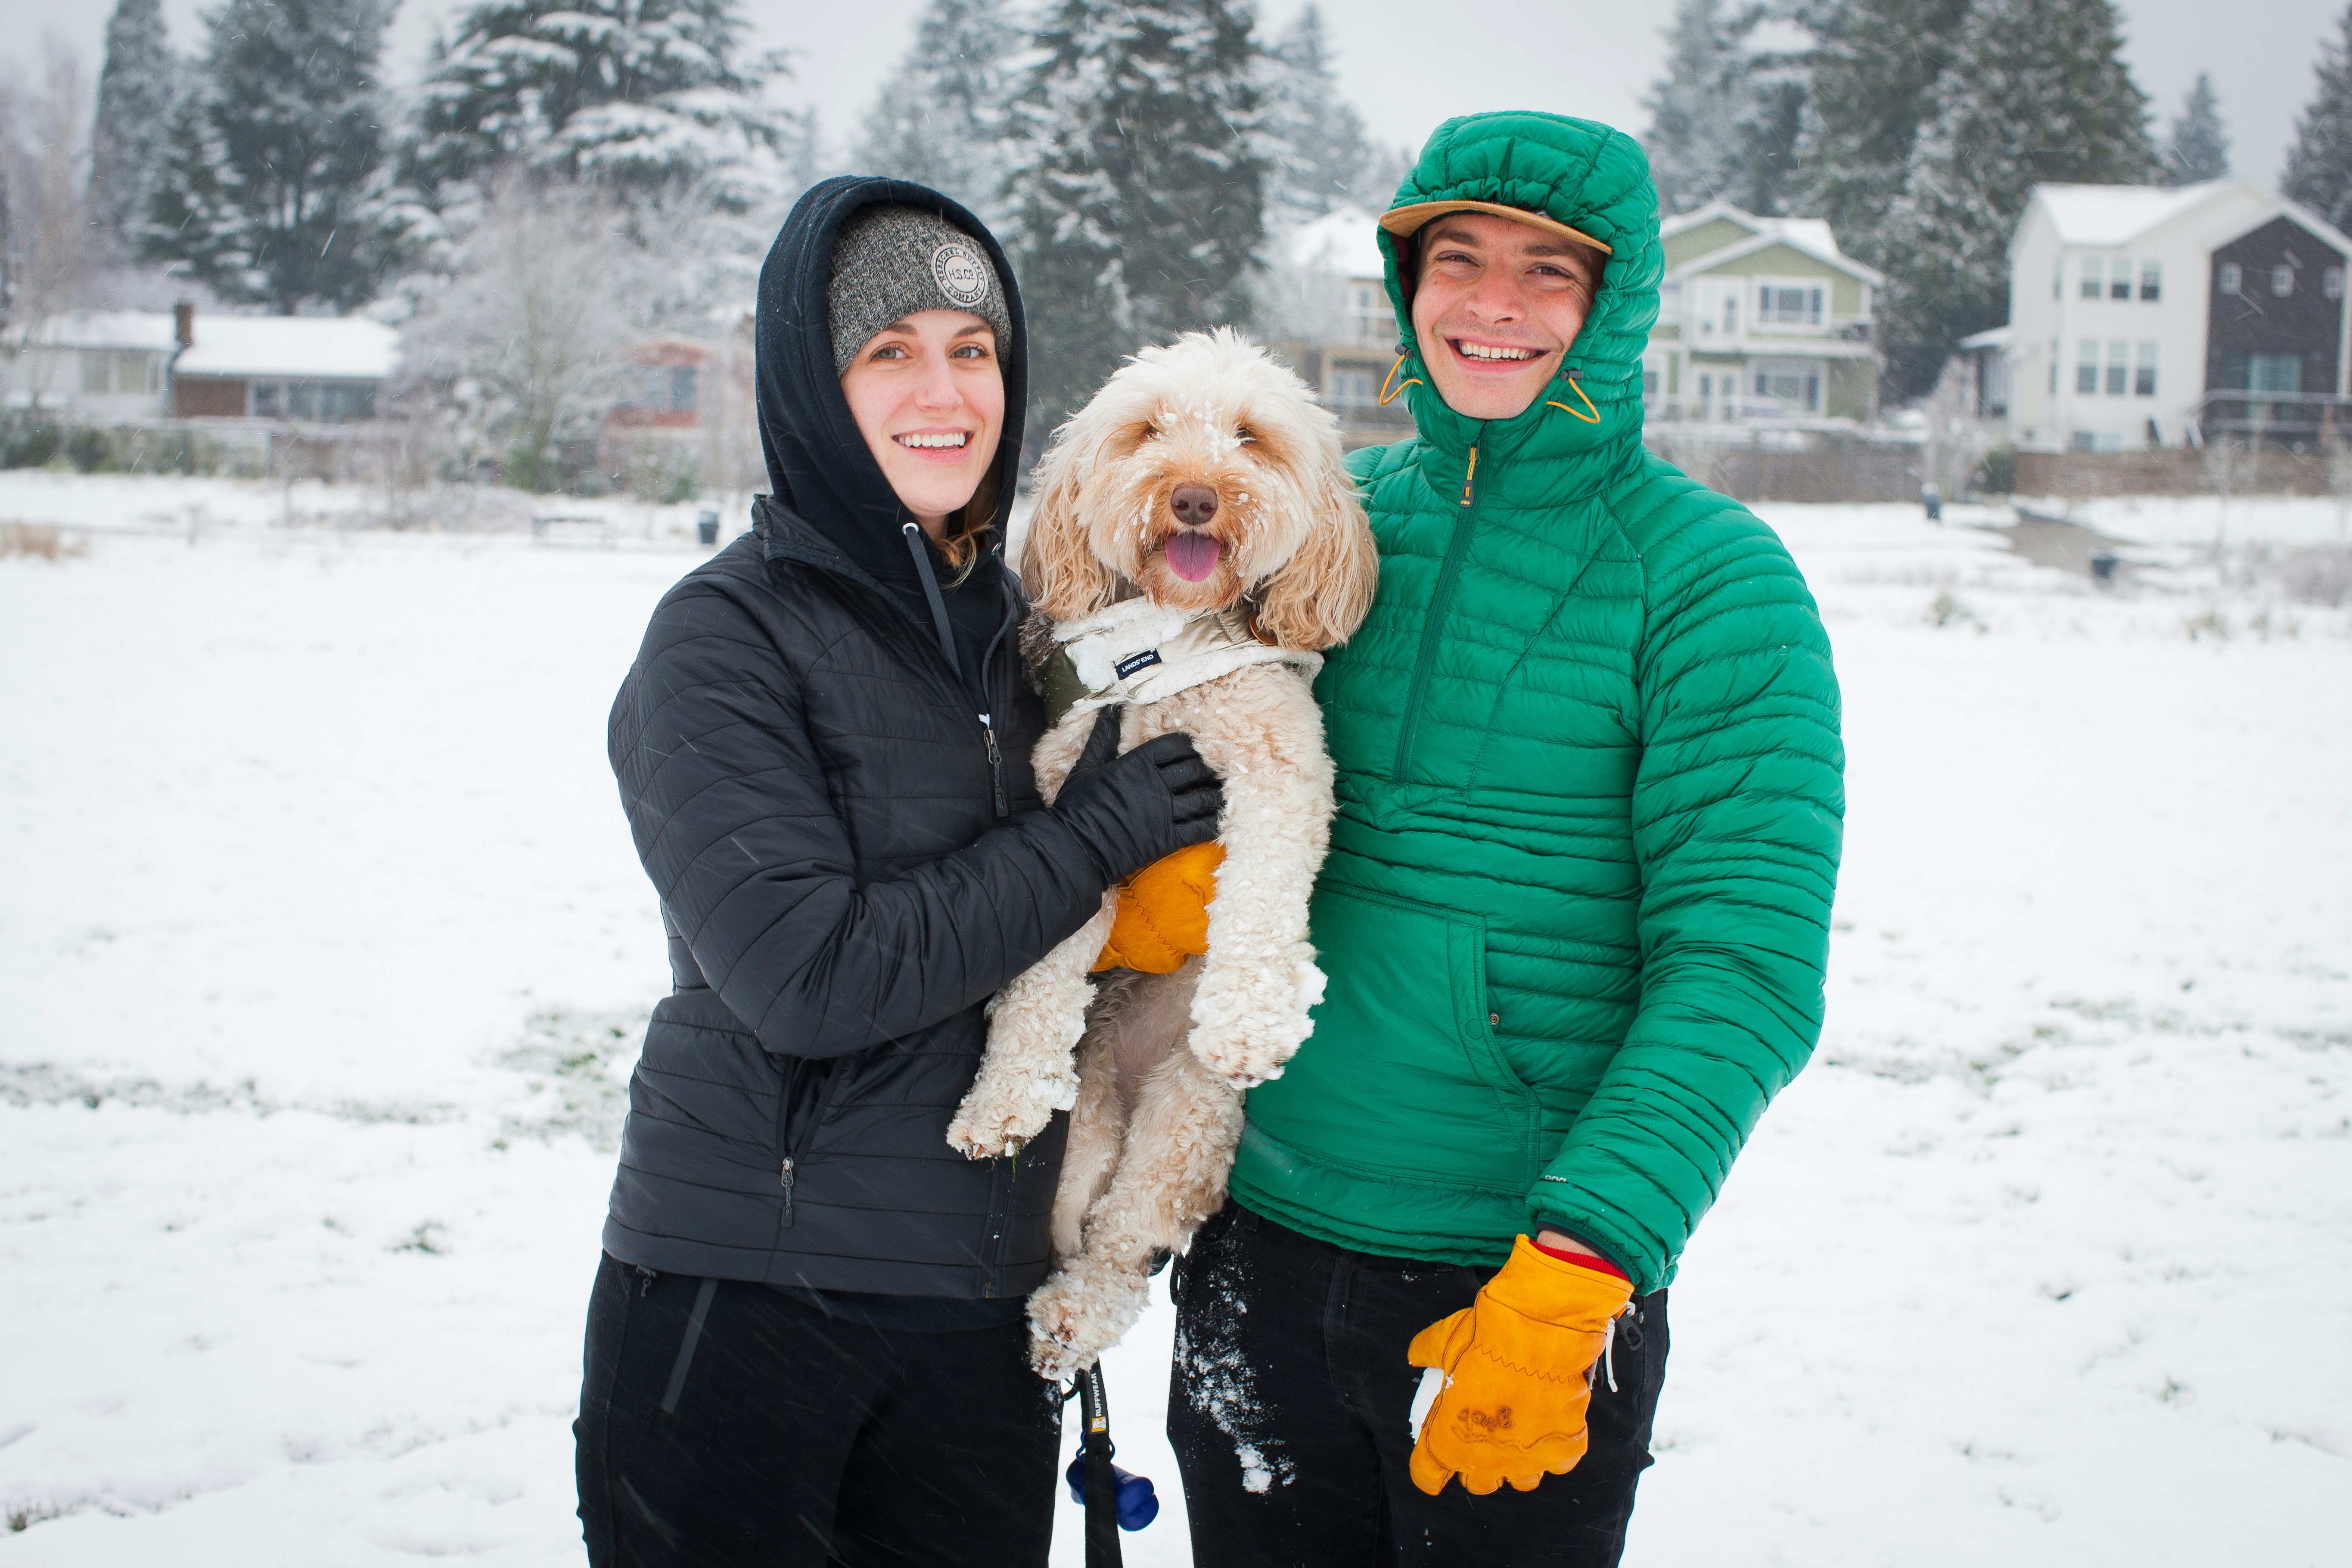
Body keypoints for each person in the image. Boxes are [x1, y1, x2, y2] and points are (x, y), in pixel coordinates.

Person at [1163, 111, 1846, 1565]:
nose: (1492, 303)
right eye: (1455, 259)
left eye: (1549, 271)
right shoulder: (1326, 521)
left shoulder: (1712, 581)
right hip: (1260, 1243)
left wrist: (1584, 1261)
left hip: (1518, 1281)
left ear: (1617, 303)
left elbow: (1744, 967)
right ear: (1405, 286)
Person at [573, 176, 1224, 1568]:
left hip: (981, 1322)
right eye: (889, 351)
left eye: (971, 349)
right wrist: (1098, 840)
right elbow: (808, 975)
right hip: (745, 1305)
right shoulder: (721, 642)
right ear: (815, 382)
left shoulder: (1039, 633)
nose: (944, 391)